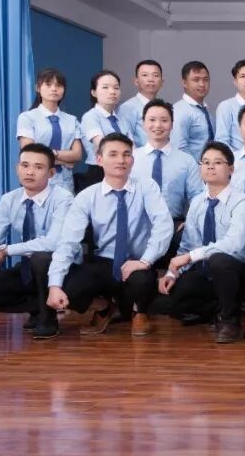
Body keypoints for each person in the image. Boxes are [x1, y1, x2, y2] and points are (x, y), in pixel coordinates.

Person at [46, 133, 174, 337]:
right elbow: (68, 241)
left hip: (137, 261)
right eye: (113, 154)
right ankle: (107, 305)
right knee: (69, 286)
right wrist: (54, 284)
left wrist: (145, 261)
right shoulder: (87, 196)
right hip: (104, 261)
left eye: (126, 154)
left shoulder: (147, 186)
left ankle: (138, 312)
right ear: (99, 159)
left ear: (132, 160)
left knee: (142, 281)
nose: (121, 160)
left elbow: (163, 224)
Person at [0, 144, 73, 339]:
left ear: (51, 173)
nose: (30, 172)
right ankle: (38, 306)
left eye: (38, 167)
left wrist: (6, 250)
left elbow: (53, 243)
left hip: (62, 271)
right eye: (25, 165)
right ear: (17, 168)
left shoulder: (63, 198)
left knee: (41, 258)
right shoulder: (9, 200)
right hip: (26, 268)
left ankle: (47, 317)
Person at [158, 142, 245, 343]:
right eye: (206, 162)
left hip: (237, 271)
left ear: (231, 169)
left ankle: (230, 321)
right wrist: (172, 273)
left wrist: (190, 257)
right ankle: (220, 308)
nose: (211, 166)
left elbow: (234, 243)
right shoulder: (197, 202)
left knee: (219, 259)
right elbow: (187, 244)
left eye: (218, 162)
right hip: (205, 272)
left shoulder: (242, 202)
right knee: (171, 301)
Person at [131, 99, 204, 268]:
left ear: (172, 124)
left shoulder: (186, 160)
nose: (158, 125)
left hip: (174, 225)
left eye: (164, 120)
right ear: (143, 124)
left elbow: (198, 197)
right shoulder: (131, 158)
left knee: (194, 238)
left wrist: (190, 221)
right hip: (138, 224)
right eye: (152, 120)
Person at [17, 67, 83, 192]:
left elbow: (77, 155)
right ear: (38, 88)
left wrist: (54, 154)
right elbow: (30, 153)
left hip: (65, 183)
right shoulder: (27, 117)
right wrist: (64, 162)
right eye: (48, 84)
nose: (54, 89)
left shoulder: (72, 120)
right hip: (37, 180)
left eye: (58, 85)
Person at [80, 70, 139, 166]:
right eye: (105, 87)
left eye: (116, 88)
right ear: (94, 92)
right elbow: (101, 146)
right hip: (100, 168)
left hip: (124, 167)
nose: (112, 92)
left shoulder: (122, 119)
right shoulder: (90, 116)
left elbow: (133, 147)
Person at [170, 61, 214, 161]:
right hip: (189, 169)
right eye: (196, 80)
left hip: (208, 168)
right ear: (184, 83)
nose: (202, 84)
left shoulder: (206, 112)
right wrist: (195, 168)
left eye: (206, 80)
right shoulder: (179, 111)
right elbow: (179, 148)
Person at [213, 59, 245, 150]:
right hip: (235, 158)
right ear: (235, 82)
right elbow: (221, 141)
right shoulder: (226, 107)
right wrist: (241, 157)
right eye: (242, 76)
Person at [118, 59, 164, 147]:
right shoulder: (127, 108)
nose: (150, 79)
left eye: (155, 75)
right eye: (145, 75)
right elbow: (125, 140)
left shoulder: (164, 107)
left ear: (162, 82)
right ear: (136, 81)